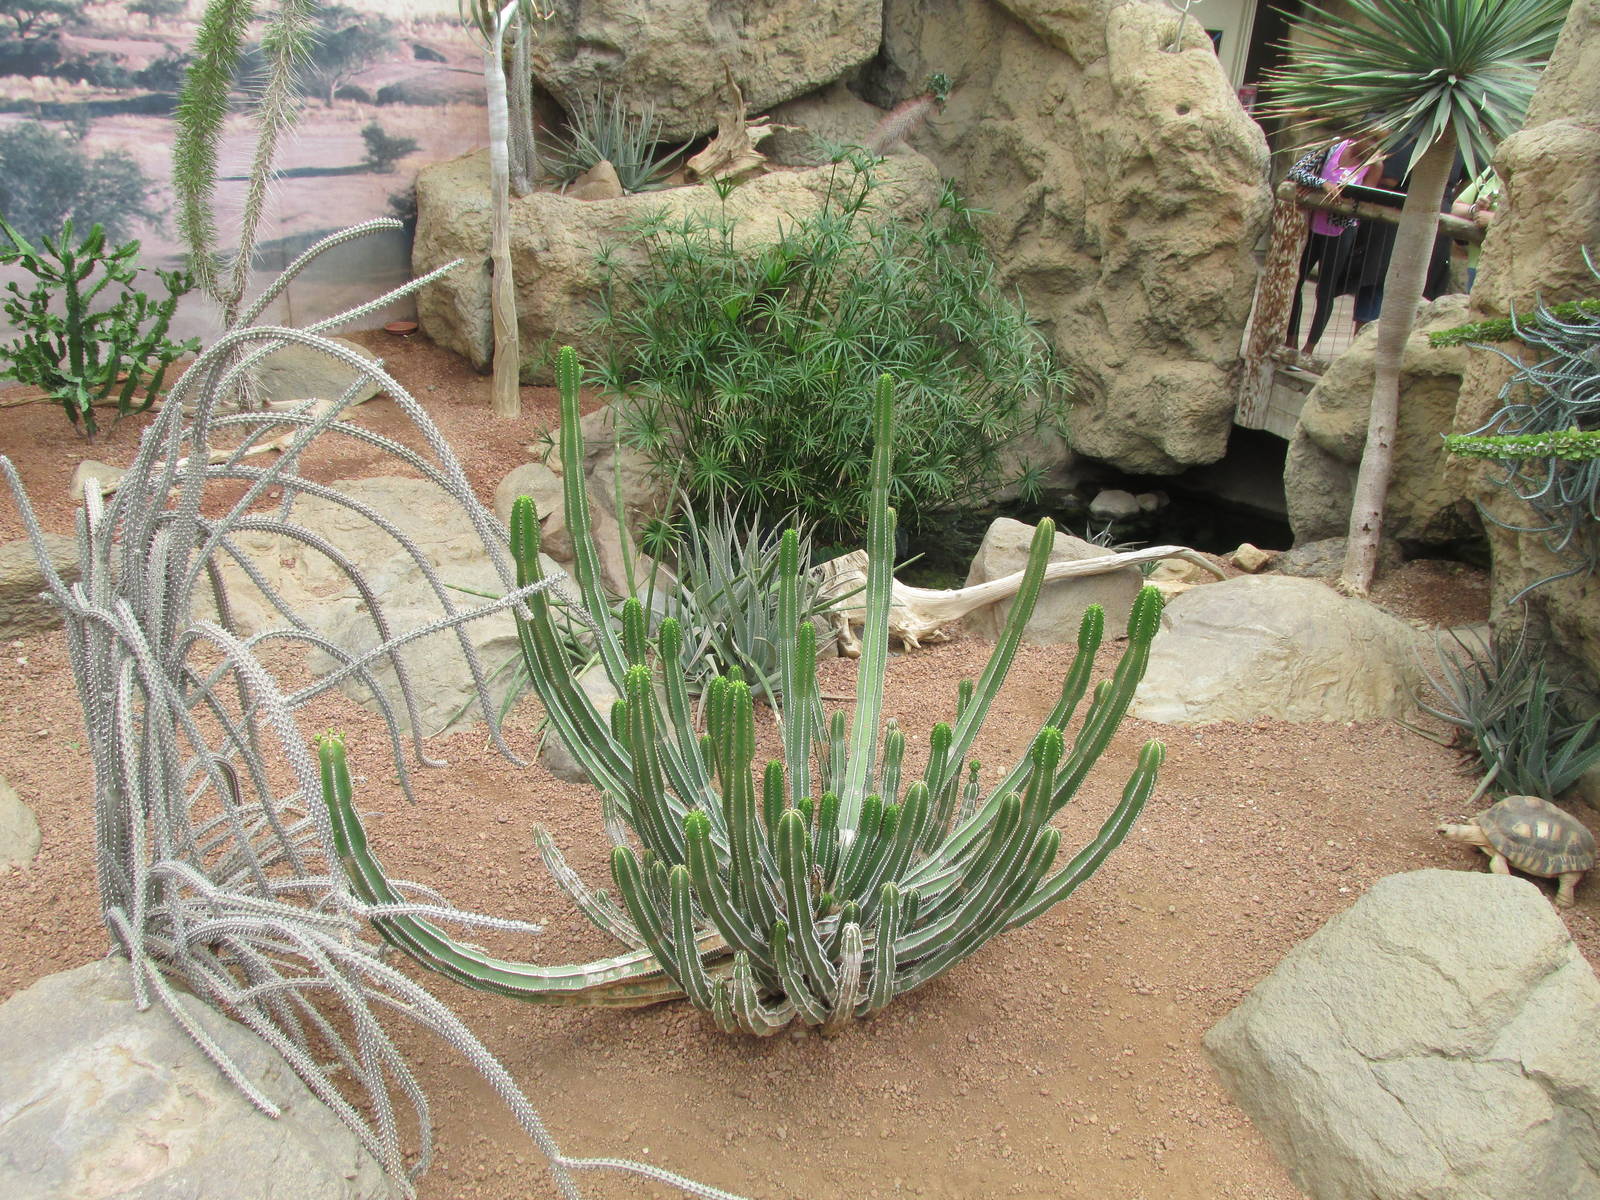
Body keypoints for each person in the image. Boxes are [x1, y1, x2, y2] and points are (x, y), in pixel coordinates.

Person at [1285, 134, 1379, 353]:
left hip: (1341, 229)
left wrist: (1346, 198)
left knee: (1325, 290)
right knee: (1296, 282)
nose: (1374, 147)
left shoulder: (1375, 165)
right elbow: (1296, 172)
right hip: (1310, 225)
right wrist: (1321, 184)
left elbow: (1363, 201)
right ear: (1361, 136)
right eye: (1372, 140)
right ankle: (1291, 340)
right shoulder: (1332, 147)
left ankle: (1309, 349)